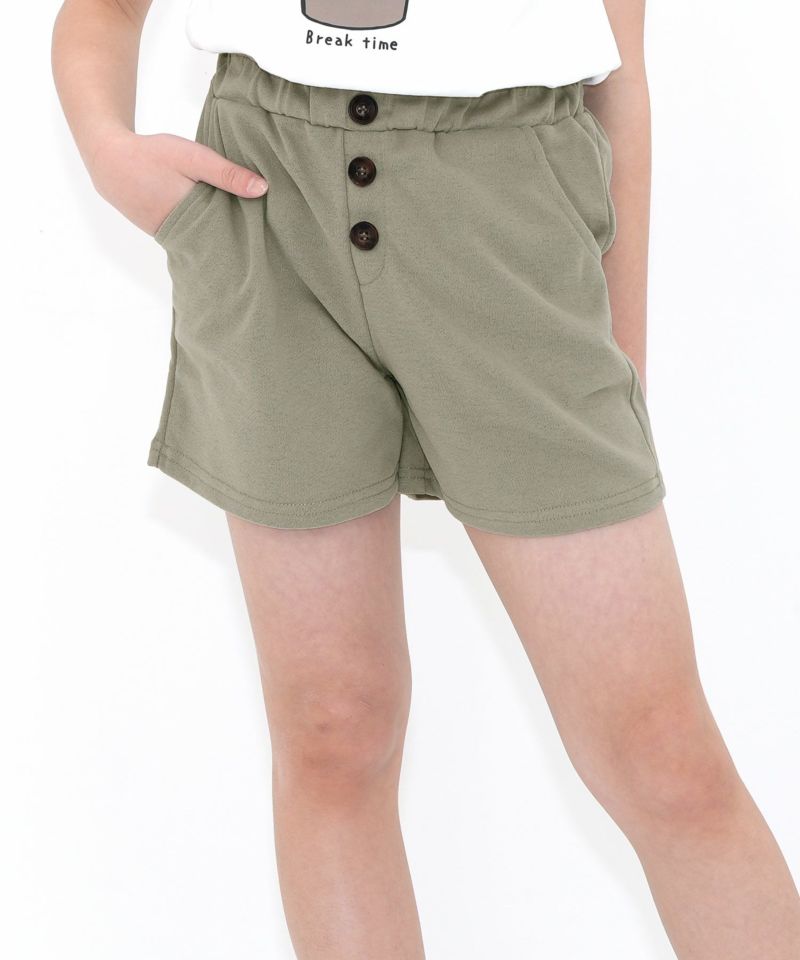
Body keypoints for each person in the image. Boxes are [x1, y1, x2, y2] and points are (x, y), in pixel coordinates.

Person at [52, 1, 800, 957]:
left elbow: (622, 72)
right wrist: (106, 145)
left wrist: (620, 366)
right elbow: (108, 8)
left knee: (660, 756)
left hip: (509, 204)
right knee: (333, 731)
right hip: (266, 204)